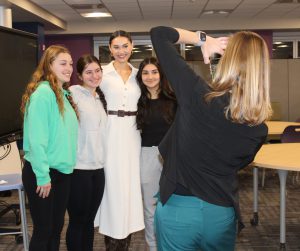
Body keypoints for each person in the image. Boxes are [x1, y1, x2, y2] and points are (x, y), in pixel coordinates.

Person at [150, 26, 272, 251]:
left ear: (228, 60)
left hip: (179, 210)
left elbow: (159, 34)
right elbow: (237, 164)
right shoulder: (259, 130)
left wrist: (203, 40)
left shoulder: (197, 93)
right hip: (220, 213)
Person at [20, 45, 78, 251]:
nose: (69, 68)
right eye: (63, 63)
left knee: (55, 229)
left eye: (70, 64)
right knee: (44, 231)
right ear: (49, 65)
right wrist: (43, 176)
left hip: (61, 172)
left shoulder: (62, 93)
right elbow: (36, 140)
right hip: (43, 173)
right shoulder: (43, 93)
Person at [95, 30, 144, 250]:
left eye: (125, 46)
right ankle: (112, 239)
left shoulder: (139, 73)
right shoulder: (101, 73)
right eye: (116, 47)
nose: (121, 51)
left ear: (132, 46)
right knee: (111, 185)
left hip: (133, 133)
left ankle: (125, 236)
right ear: (110, 49)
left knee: (129, 185)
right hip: (110, 131)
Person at [66, 55, 107, 251]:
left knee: (90, 220)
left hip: (98, 168)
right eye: (88, 72)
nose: (94, 75)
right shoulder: (72, 95)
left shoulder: (99, 98)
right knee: (77, 219)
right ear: (80, 76)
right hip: (78, 168)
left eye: (97, 71)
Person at [136, 57, 176, 251]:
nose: (150, 76)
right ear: (140, 76)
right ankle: (153, 247)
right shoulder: (138, 102)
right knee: (150, 208)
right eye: (145, 72)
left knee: (172, 205)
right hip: (147, 157)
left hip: (171, 157)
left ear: (161, 74)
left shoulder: (174, 100)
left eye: (154, 72)